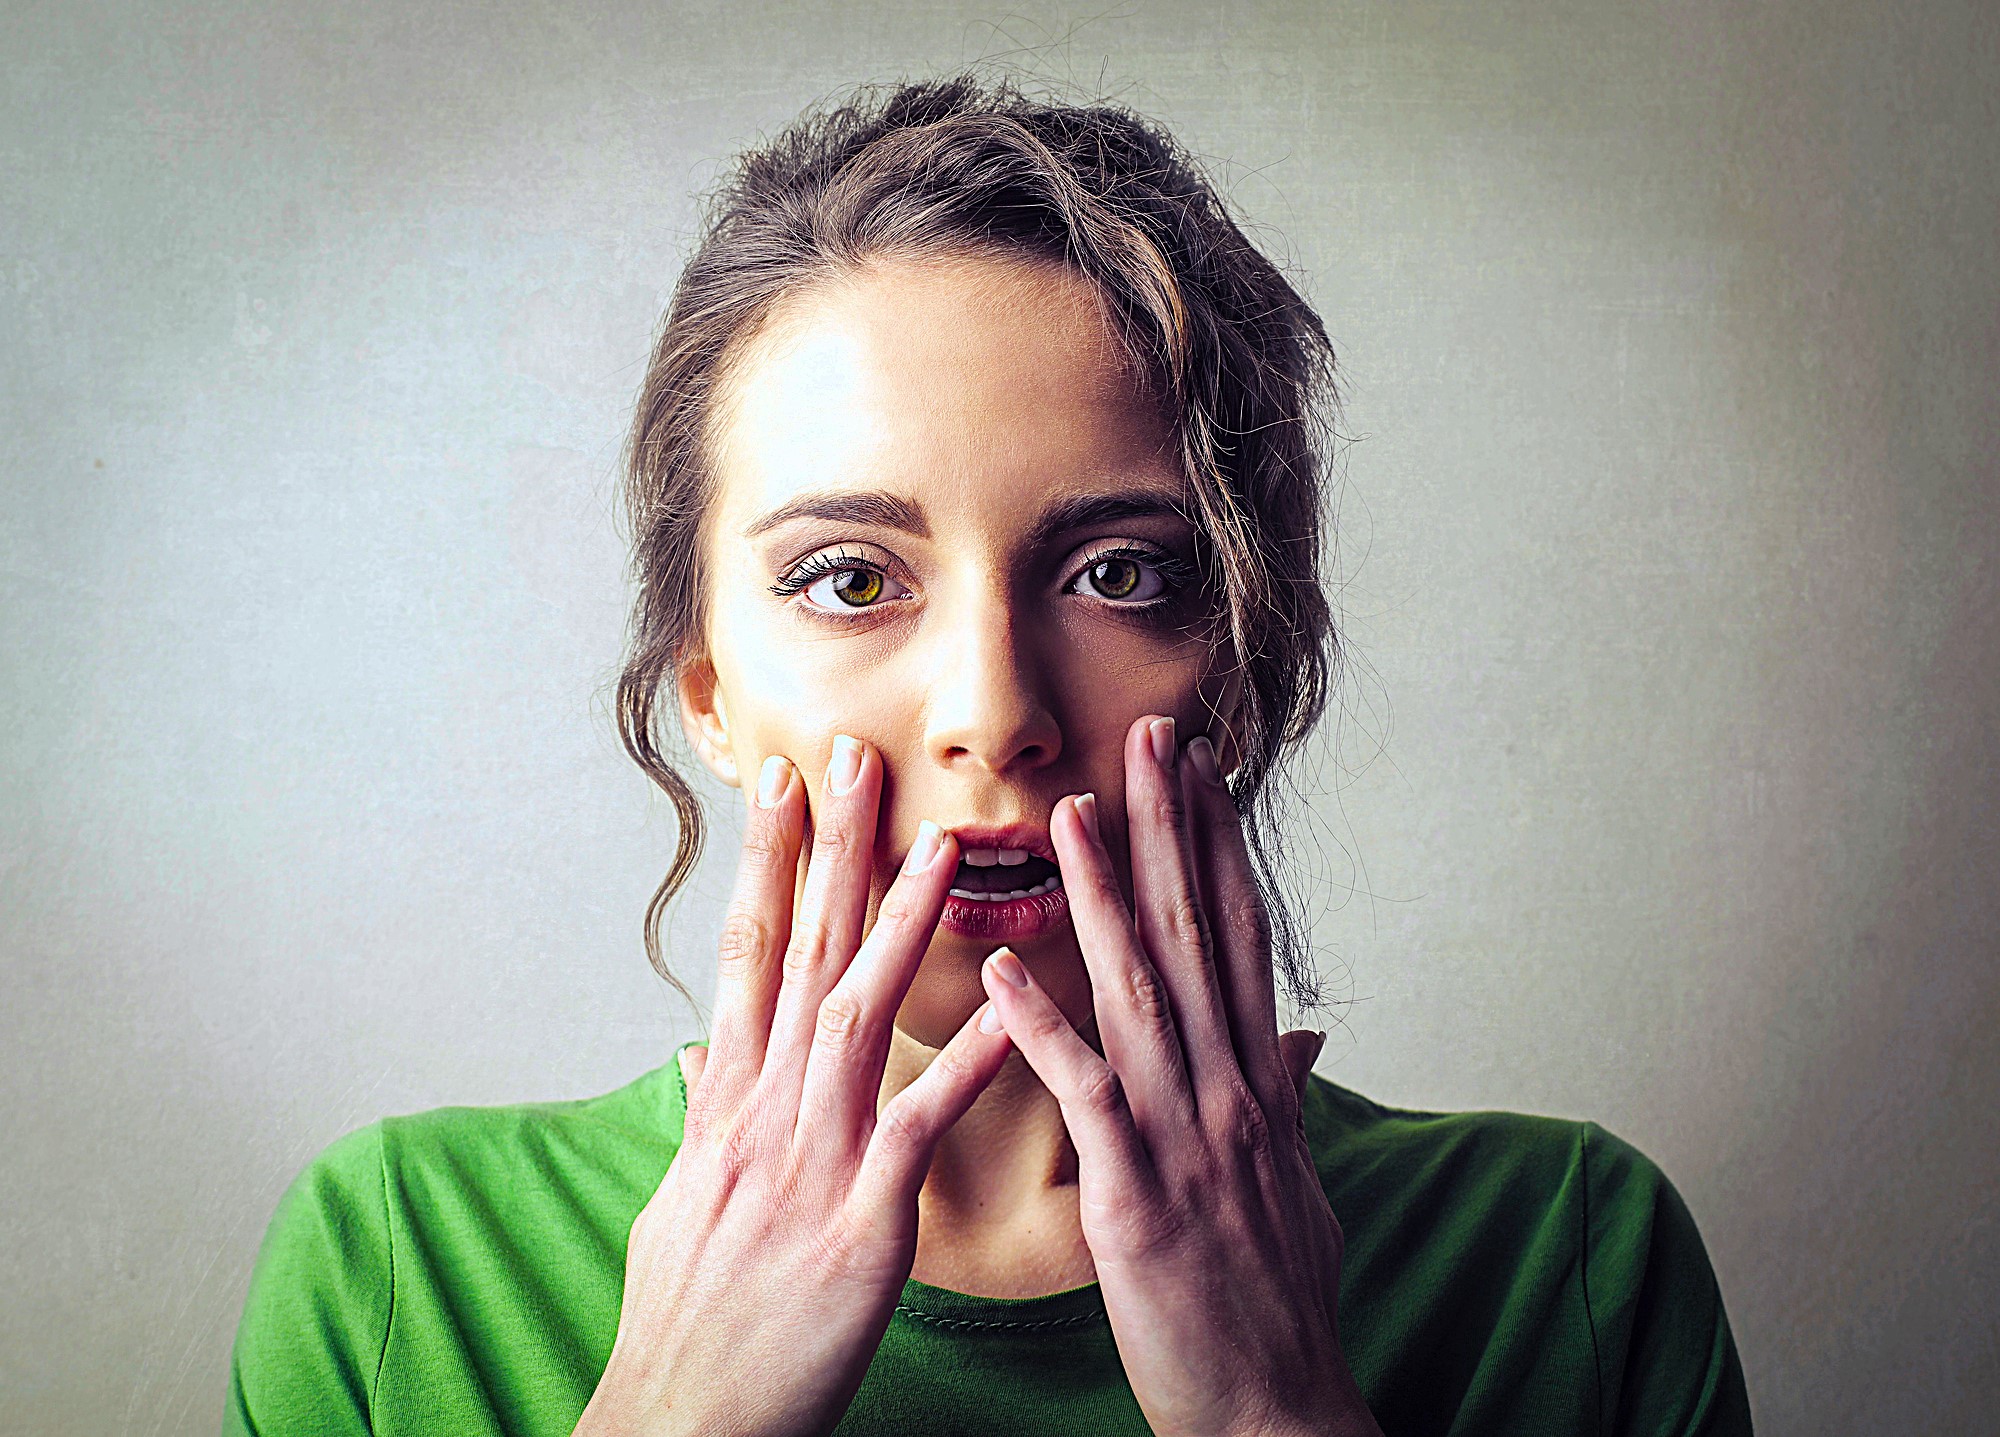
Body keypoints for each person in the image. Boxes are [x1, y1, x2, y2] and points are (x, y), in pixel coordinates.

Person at [223, 75, 1754, 1437]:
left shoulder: (1567, 1253)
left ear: (1246, 665)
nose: (994, 711)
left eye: (1119, 572)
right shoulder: (400, 1261)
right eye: (848, 577)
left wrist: (1270, 1408)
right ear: (708, 691)